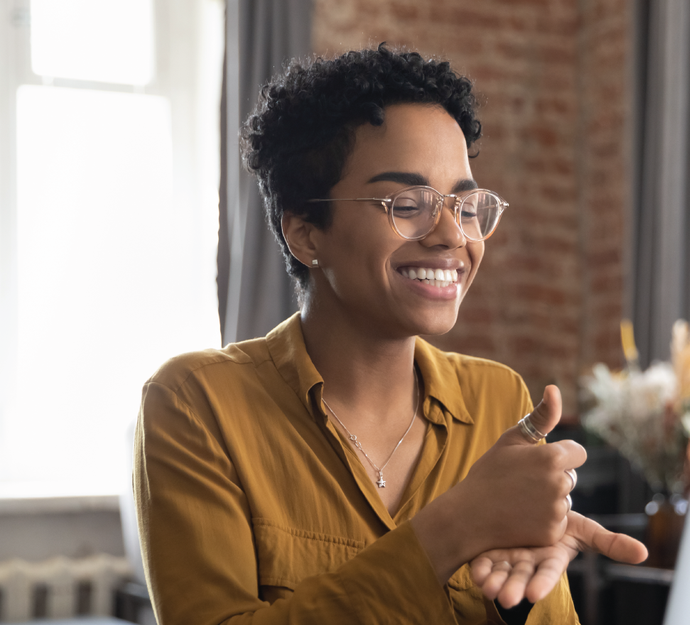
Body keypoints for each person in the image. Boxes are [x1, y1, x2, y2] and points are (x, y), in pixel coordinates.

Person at [133, 45, 647, 625]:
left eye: (465, 203)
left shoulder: (499, 401)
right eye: (408, 203)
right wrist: (453, 528)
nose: (453, 235)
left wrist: (522, 603)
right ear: (306, 233)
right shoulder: (195, 404)